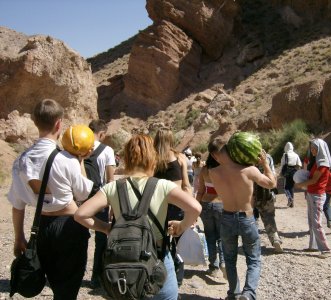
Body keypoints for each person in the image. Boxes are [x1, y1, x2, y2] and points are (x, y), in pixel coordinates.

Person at [74, 134, 202, 300]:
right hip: (158, 259)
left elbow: (80, 214)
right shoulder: (162, 186)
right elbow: (195, 208)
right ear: (153, 159)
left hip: (124, 267)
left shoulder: (112, 188)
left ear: (126, 159)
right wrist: (181, 226)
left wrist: (106, 228)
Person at [8, 99, 94, 299]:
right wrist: (80, 160)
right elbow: (83, 194)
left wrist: (19, 237)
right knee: (66, 288)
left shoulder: (21, 160)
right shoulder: (67, 159)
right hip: (70, 227)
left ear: (35, 122)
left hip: (41, 226)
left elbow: (17, 204)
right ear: (58, 124)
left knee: (44, 278)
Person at [209, 139, 277, 300]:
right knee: (253, 259)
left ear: (214, 155)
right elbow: (272, 183)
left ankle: (233, 293)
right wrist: (265, 164)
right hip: (246, 217)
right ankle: (248, 293)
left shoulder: (213, 173)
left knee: (230, 259)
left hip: (226, 217)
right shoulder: (249, 170)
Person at [153, 128, 192, 286]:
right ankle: (178, 278)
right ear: (171, 139)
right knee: (177, 241)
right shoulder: (180, 157)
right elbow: (186, 185)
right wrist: (190, 209)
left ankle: (160, 275)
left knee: (159, 241)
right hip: (176, 205)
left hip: (157, 205)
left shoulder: (152, 159)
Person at [87, 119, 116, 288]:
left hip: (79, 199)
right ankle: (96, 277)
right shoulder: (107, 151)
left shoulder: (79, 147)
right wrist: (111, 205)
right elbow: (110, 181)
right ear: (102, 133)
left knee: (78, 237)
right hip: (99, 199)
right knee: (101, 239)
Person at [295, 138, 331, 259]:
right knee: (312, 221)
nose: (312, 150)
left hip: (317, 195)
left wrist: (300, 185)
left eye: (314, 148)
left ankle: (326, 249)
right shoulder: (316, 162)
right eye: (311, 148)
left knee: (316, 222)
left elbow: (314, 180)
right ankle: (314, 246)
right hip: (312, 193)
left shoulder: (323, 163)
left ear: (319, 149)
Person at [195, 153, 225, 278]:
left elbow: (201, 191)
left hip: (206, 205)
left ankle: (213, 267)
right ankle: (224, 262)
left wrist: (195, 209)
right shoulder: (224, 170)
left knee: (210, 237)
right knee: (222, 237)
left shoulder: (204, 169)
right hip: (221, 205)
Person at [304, 144, 331, 234]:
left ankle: (314, 229)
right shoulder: (327, 159)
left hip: (316, 188)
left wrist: (302, 184)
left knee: (313, 208)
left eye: (313, 148)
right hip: (328, 184)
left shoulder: (313, 160)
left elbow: (306, 172)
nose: (312, 150)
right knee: (326, 204)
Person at [254, 153, 283, 253]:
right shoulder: (268, 157)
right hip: (266, 192)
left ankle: (253, 244)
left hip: (251, 194)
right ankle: (275, 239)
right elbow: (273, 174)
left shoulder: (245, 157)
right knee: (269, 218)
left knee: (252, 219)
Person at [280, 142, 302, 208]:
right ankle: (292, 204)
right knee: (291, 187)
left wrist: (281, 172)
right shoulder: (296, 155)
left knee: (285, 187)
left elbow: (282, 164)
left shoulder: (285, 154)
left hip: (287, 171)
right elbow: (299, 165)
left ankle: (289, 198)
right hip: (294, 172)